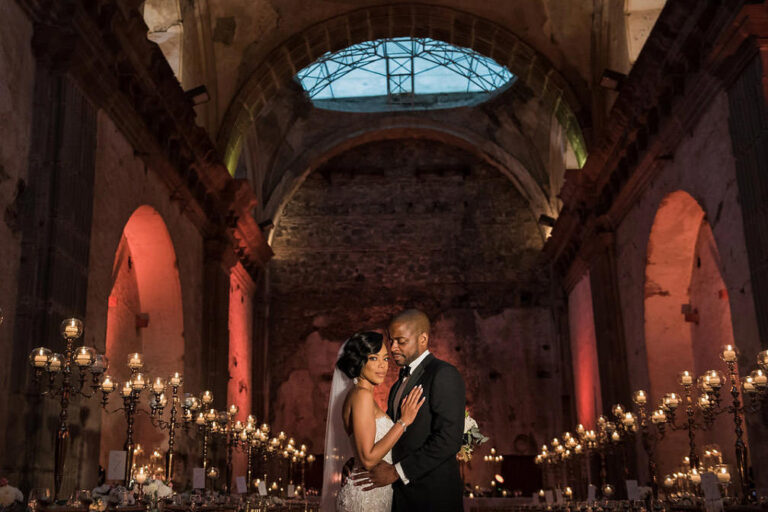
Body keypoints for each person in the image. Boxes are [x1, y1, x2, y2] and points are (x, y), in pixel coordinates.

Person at [353, 309, 466, 512]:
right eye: (391, 340)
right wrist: (358, 462)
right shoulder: (397, 384)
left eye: (401, 341)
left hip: (433, 497)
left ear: (423, 339)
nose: (393, 347)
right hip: (399, 496)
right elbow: (388, 432)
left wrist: (397, 472)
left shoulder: (443, 374)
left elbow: (449, 439)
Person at [321, 331, 425, 511]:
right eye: (374, 358)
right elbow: (368, 459)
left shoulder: (362, 394)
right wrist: (403, 422)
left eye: (385, 359)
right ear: (360, 361)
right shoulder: (361, 395)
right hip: (366, 496)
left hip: (373, 490)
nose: (382, 366)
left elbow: (364, 448)